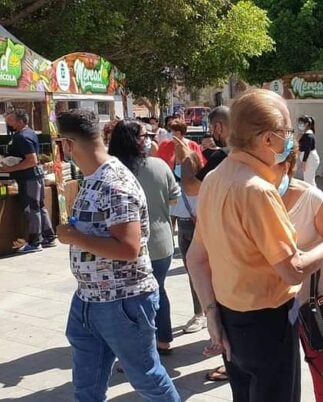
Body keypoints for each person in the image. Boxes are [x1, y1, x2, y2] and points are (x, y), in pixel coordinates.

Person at [184, 89, 323, 402]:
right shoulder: (258, 190)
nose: (291, 140)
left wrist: (212, 315)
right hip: (266, 322)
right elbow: (292, 270)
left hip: (230, 317)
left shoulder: (215, 178)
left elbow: (195, 257)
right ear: (266, 139)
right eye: (287, 132)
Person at [54, 109, 180, 401]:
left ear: (67, 145)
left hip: (122, 301)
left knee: (146, 378)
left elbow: (128, 248)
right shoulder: (94, 177)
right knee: (87, 384)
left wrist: (73, 236)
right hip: (89, 298)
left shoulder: (114, 183)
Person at [272, 145, 323, 402]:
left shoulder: (311, 198)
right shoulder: (250, 198)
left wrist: (304, 258)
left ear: (286, 165)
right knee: (275, 378)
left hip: (315, 301)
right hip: (269, 304)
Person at [108, 120, 180, 354]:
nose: (148, 139)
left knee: (133, 298)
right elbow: (174, 199)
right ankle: (164, 339)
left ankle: (142, 346)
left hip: (126, 244)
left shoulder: (112, 170)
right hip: (162, 242)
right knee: (158, 289)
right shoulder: (159, 166)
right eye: (143, 135)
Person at [178, 105, 231, 383]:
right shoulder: (250, 156)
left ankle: (231, 361)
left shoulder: (225, 155)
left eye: (213, 129)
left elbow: (191, 187)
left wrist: (187, 161)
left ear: (220, 127)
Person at [160, 119, 208, 334]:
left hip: (197, 225)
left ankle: (204, 312)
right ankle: (202, 312)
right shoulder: (172, 160)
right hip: (185, 223)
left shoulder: (194, 167)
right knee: (193, 271)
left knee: (199, 271)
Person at [0, 110, 56, 253]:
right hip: (34, 177)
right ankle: (48, 237)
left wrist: (9, 168)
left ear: (19, 121)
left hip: (29, 178)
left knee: (32, 209)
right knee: (39, 206)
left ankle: (35, 242)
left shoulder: (22, 137)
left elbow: (32, 160)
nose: (8, 123)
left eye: (10, 120)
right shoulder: (28, 133)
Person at [298, 115, 320, 187]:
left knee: (309, 181)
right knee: (308, 180)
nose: (300, 125)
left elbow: (307, 149)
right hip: (309, 158)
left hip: (309, 158)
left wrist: (304, 162)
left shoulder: (308, 135)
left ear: (306, 124)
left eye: (301, 123)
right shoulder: (306, 134)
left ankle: (314, 196)